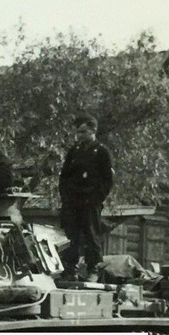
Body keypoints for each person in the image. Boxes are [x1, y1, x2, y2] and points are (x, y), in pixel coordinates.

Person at [58, 113, 114, 282]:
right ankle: (70, 269)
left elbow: (108, 180)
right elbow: (65, 176)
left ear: (92, 131)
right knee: (71, 236)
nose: (79, 136)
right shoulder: (74, 151)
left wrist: (96, 199)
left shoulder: (101, 152)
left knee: (91, 235)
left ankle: (93, 269)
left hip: (90, 201)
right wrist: (65, 197)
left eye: (83, 132)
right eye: (77, 132)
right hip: (72, 201)